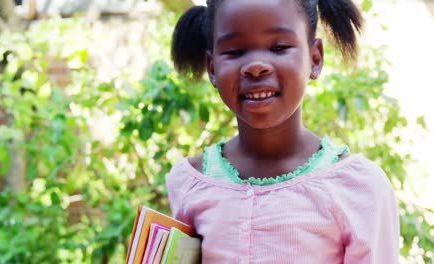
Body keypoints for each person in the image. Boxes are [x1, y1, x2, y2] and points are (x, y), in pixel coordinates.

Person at [165, 0, 400, 263]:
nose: (255, 66)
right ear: (212, 68)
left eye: (279, 47)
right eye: (234, 51)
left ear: (315, 59)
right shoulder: (190, 182)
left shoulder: (359, 189)